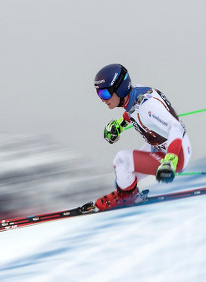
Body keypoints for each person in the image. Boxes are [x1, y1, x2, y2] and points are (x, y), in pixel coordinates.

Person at [81, 63, 191, 213]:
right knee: (122, 178)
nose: (102, 99)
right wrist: (119, 124)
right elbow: (132, 110)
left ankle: (128, 198)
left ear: (119, 89)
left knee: (121, 161)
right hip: (159, 147)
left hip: (176, 154)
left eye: (105, 94)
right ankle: (127, 194)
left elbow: (176, 127)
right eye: (99, 94)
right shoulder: (134, 94)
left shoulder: (148, 107)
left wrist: (170, 161)